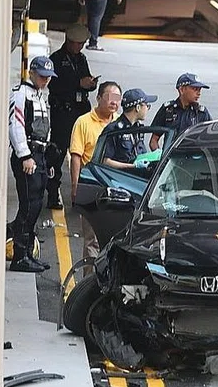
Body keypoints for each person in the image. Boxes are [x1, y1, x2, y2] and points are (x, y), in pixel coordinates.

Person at [8, 56, 58, 273]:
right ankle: (20, 255)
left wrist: (48, 160)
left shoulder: (39, 95)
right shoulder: (21, 94)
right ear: (32, 73)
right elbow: (16, 126)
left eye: (48, 77)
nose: (45, 80)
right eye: (42, 76)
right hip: (28, 156)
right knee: (28, 206)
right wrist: (24, 155)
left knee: (36, 206)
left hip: (40, 155)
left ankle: (27, 252)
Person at [45, 24, 98, 209]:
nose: (80, 47)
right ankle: (52, 192)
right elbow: (53, 85)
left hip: (80, 111)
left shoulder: (81, 59)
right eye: (77, 44)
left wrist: (90, 84)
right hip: (63, 113)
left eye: (82, 44)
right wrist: (77, 82)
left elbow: (85, 79)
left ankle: (83, 193)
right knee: (57, 154)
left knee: (85, 154)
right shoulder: (56, 60)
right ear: (69, 42)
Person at [69, 81, 121, 267]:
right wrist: (76, 188)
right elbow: (76, 157)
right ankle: (89, 286)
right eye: (109, 97)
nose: (114, 102)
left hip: (115, 190)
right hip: (91, 188)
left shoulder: (120, 124)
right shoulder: (83, 122)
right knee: (92, 240)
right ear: (98, 98)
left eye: (117, 98)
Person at [149, 73, 213, 151]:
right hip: (171, 159)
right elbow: (153, 141)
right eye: (195, 89)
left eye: (199, 90)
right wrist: (161, 158)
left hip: (193, 159)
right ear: (182, 90)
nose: (199, 93)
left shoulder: (202, 113)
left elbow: (211, 139)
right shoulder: (167, 110)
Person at [104, 89, 157, 169]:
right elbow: (105, 161)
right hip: (119, 177)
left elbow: (142, 154)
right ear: (138, 107)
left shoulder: (138, 129)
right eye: (147, 105)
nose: (147, 109)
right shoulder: (114, 130)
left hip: (137, 177)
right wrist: (133, 166)